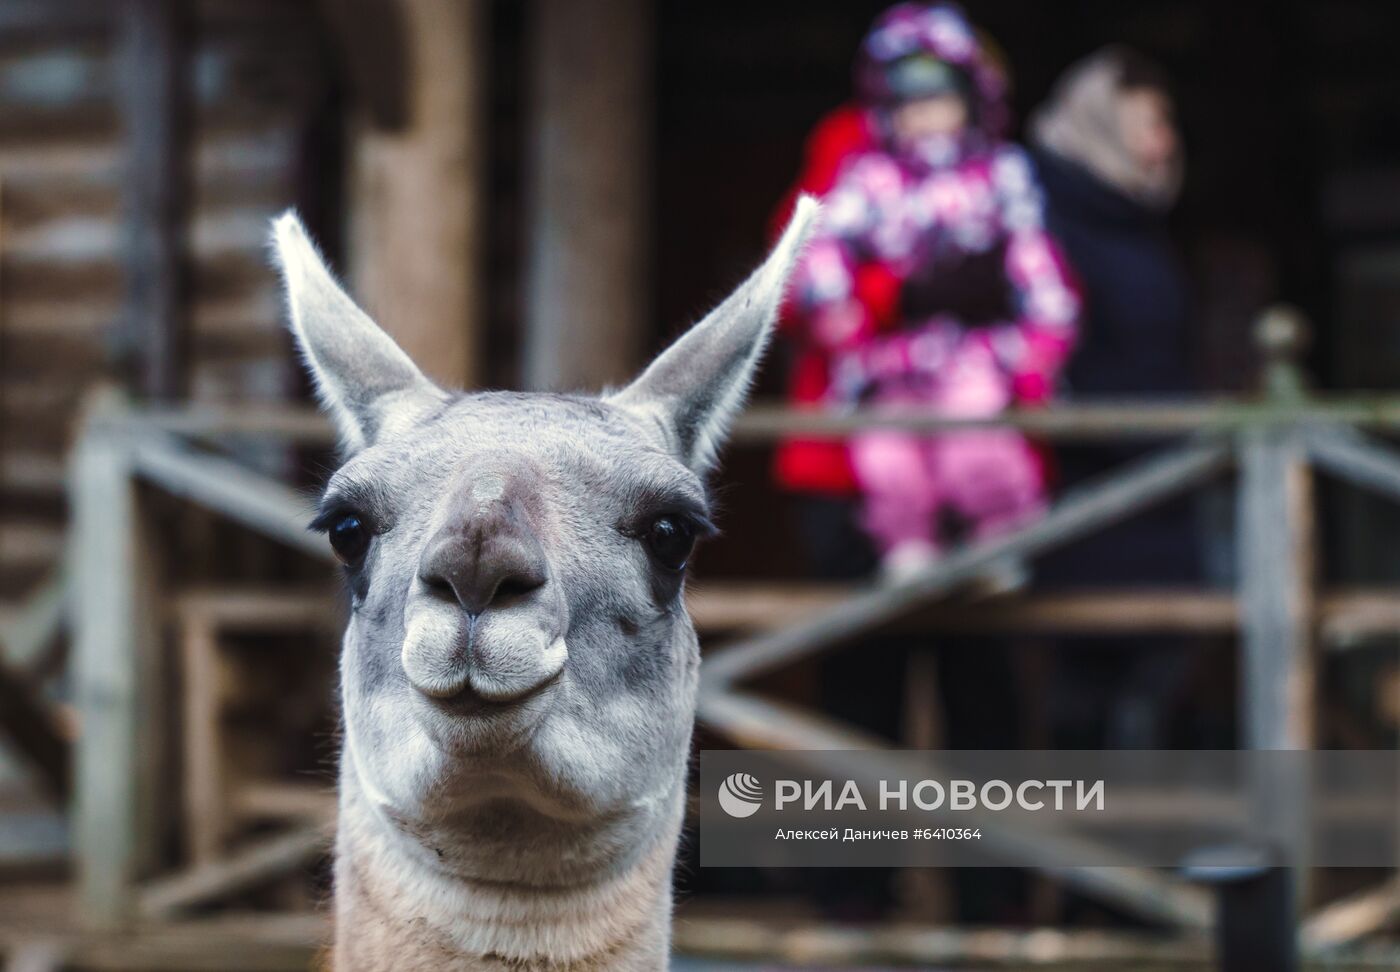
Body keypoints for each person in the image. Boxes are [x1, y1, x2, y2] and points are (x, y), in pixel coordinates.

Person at [773, 2, 1081, 582]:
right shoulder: (857, 157)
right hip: (883, 380)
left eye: (943, 96)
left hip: (976, 367)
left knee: (979, 446)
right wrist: (882, 299)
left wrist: (1040, 338)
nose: (928, 114)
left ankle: (998, 543)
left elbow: (1039, 268)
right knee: (889, 465)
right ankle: (907, 546)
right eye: (912, 100)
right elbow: (802, 259)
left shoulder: (1000, 172)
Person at [1029, 49, 1210, 748]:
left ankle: (1131, 852)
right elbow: (1055, 365)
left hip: (1162, 495)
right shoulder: (1050, 218)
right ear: (1099, 126)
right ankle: (1093, 856)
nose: (1164, 143)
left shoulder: (1134, 217)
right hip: (1092, 501)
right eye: (1147, 124)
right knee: (1092, 693)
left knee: (1157, 680)